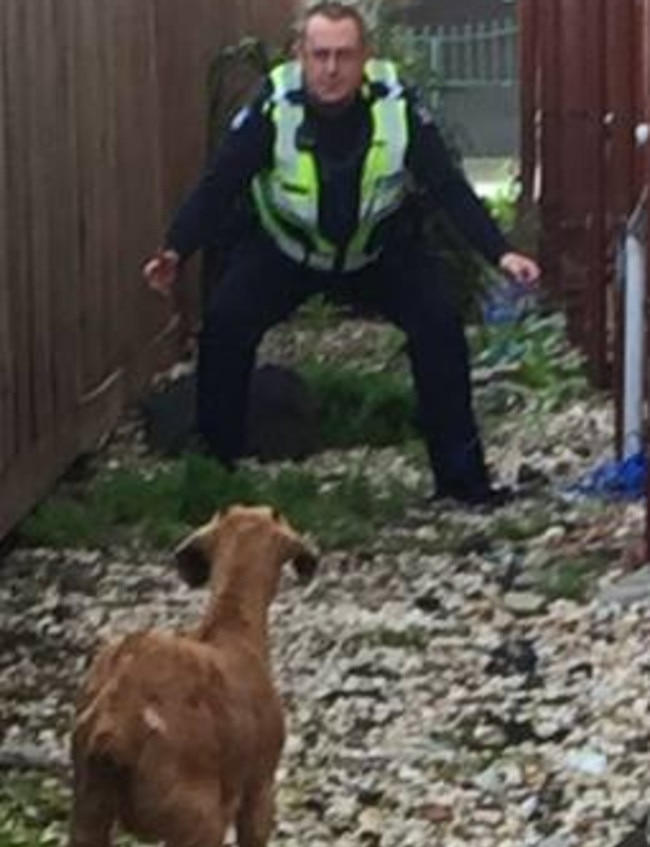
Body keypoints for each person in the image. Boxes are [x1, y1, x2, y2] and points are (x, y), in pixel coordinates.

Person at [143, 2, 540, 507]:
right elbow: (219, 184)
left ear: (365, 58)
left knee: (439, 326)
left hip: (377, 250)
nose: (331, 69)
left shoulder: (397, 105)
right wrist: (176, 247)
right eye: (320, 55)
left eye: (344, 56)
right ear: (299, 55)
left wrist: (501, 252)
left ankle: (462, 483)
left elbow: (447, 185)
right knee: (224, 326)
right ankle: (215, 481)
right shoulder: (274, 107)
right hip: (286, 250)